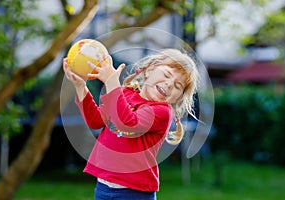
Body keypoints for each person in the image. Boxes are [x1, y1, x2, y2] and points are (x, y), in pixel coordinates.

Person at [62, 48, 199, 200]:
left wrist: (111, 81)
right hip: (103, 186)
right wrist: (81, 87)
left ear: (178, 97)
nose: (169, 84)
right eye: (167, 74)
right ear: (149, 70)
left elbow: (128, 123)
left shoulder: (162, 112)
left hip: (134, 193)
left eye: (178, 86)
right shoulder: (123, 94)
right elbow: (96, 121)